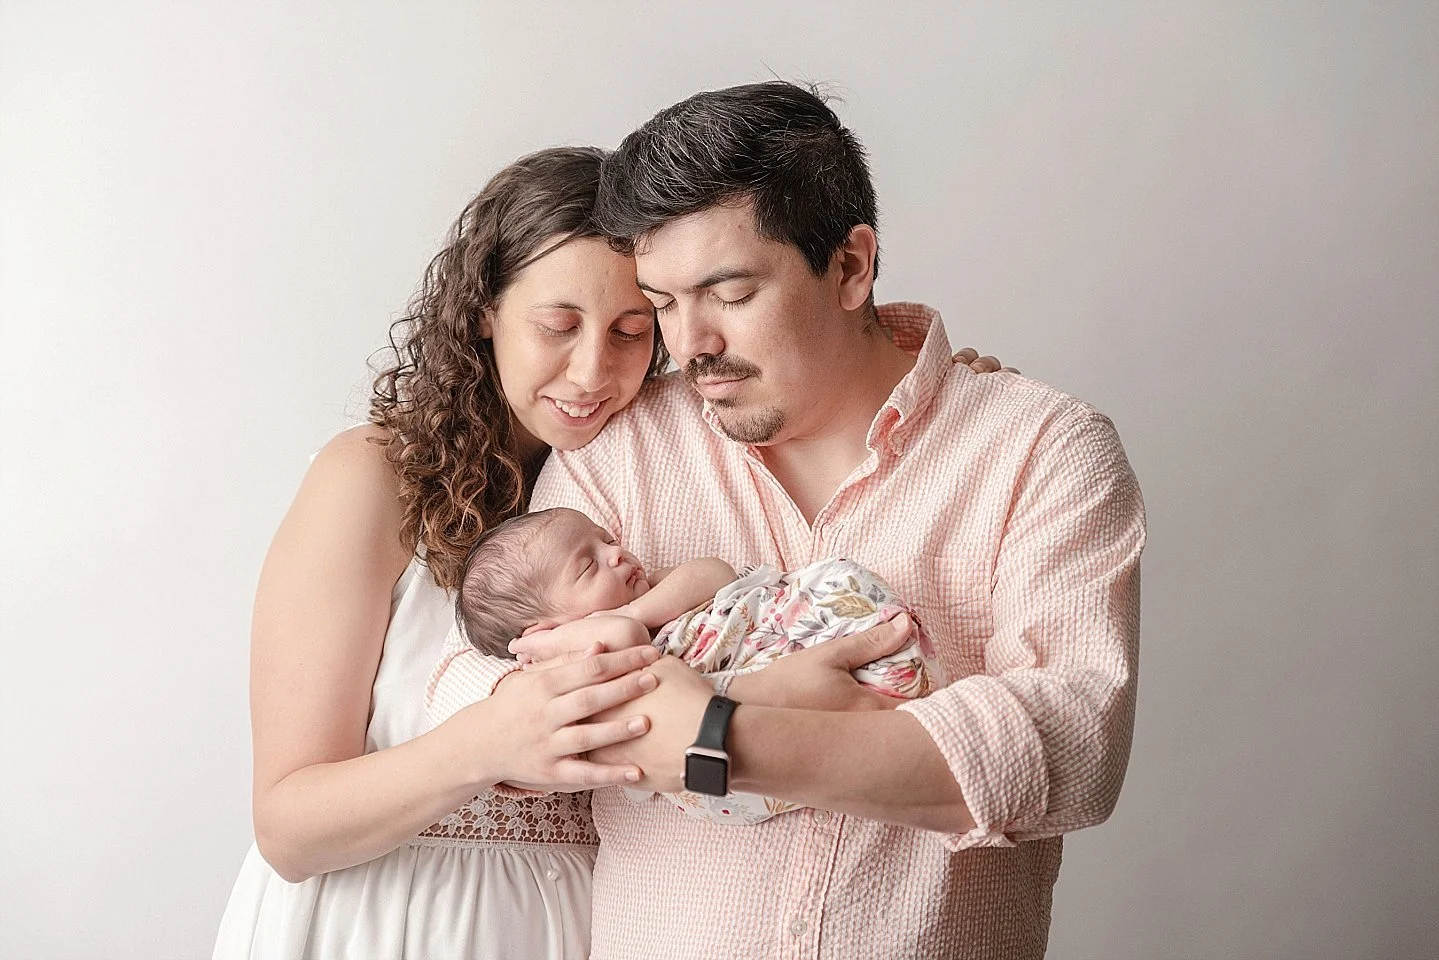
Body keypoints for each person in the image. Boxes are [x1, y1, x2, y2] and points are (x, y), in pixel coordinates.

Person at [215, 143, 1010, 959]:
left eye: (632, 331)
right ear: (483, 311)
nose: (592, 372)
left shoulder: (644, 465)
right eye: (557, 326)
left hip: (569, 923)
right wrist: (489, 742)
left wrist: (932, 393)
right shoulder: (374, 478)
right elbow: (287, 828)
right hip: (396, 918)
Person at [432, 81, 1145, 960]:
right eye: (661, 304)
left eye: (729, 293)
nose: (688, 345)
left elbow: (1071, 743)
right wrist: (820, 727)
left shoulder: (1039, 448)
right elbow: (487, 688)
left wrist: (724, 735)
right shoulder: (622, 449)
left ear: (849, 267)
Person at [453, 505, 939, 823]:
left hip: (771, 655)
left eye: (606, 540)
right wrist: (601, 628)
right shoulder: (570, 661)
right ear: (542, 633)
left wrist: (638, 608)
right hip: (717, 760)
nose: (616, 553)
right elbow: (626, 640)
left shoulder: (649, 595)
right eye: (588, 565)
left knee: (834, 585)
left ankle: (877, 690)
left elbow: (714, 573)